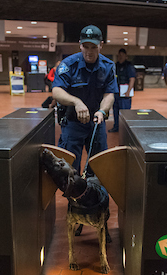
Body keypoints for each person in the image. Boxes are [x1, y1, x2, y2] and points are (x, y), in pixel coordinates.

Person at [52, 25, 117, 173]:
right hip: (73, 123)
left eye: (93, 47)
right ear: (80, 44)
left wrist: (102, 110)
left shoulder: (108, 67)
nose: (89, 51)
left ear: (101, 45)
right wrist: (76, 102)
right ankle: (73, 196)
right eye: (85, 46)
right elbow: (56, 91)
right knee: (69, 170)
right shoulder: (68, 65)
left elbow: (109, 94)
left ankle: (95, 194)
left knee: (99, 167)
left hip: (96, 122)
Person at [109, 48, 136, 132]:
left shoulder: (129, 66)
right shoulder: (115, 66)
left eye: (122, 55)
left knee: (125, 112)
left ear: (126, 56)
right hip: (116, 92)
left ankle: (125, 129)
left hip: (124, 93)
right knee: (115, 110)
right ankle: (116, 127)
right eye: (119, 55)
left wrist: (128, 91)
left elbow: (132, 79)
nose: (120, 57)